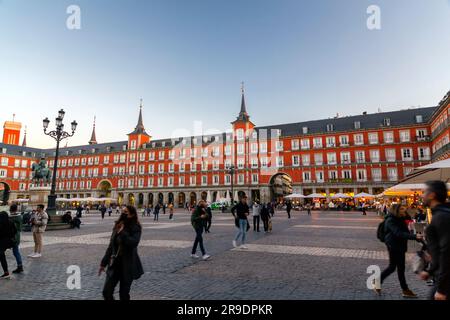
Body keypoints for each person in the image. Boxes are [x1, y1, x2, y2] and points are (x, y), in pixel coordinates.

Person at [99, 205, 144, 300]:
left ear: (132, 214)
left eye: (126, 212)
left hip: (128, 264)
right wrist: (103, 263)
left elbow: (133, 243)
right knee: (106, 292)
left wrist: (122, 232)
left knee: (123, 294)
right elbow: (111, 246)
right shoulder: (118, 225)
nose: (123, 214)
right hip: (115, 264)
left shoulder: (135, 226)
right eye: (122, 211)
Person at [379, 204, 423, 298]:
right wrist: (414, 237)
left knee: (395, 267)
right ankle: (405, 290)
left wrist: (415, 236)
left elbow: (406, 231)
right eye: (402, 209)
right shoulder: (391, 220)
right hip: (393, 246)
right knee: (397, 268)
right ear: (396, 210)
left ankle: (378, 282)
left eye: (404, 208)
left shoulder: (400, 218)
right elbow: (398, 233)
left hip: (399, 245)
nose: (405, 209)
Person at [419, 181, 450, 300]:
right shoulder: (442, 214)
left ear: (432, 195)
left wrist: (442, 289)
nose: (422, 195)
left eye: (424, 192)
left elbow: (447, 252)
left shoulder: (441, 217)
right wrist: (429, 271)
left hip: (445, 282)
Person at [0, 211, 16, 279]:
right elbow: (15, 231)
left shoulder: (0, 223)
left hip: (1, 242)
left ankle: (6, 272)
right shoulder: (11, 222)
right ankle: (6, 272)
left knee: (2, 256)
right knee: (2, 256)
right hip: (8, 242)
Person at [9, 204, 23, 274]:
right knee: (16, 251)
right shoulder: (19, 217)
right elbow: (20, 228)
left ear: (10, 209)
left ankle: (20, 266)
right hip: (17, 236)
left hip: (11, 237)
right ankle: (20, 266)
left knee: (15, 252)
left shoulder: (11, 217)